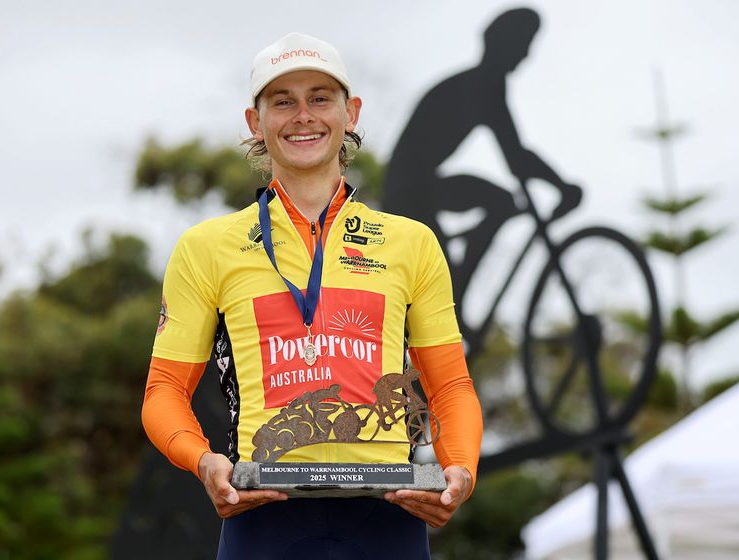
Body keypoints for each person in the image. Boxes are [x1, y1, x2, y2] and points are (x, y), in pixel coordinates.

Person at [142, 32, 483, 559]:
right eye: (283, 101)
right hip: (263, 514)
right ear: (256, 122)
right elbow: (163, 391)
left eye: (320, 98)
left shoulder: (410, 243)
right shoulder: (206, 247)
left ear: (351, 113)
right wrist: (203, 460)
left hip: (387, 515)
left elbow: (452, 387)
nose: (304, 115)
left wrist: (460, 469)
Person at [383, 8, 582, 347]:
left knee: (501, 203)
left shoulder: (485, 82)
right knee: (499, 204)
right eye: (523, 44)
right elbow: (517, 158)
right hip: (409, 190)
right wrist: (560, 186)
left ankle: (455, 291)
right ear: (504, 45)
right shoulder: (483, 84)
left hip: (421, 183)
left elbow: (515, 156)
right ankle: (454, 298)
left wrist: (557, 185)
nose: (526, 54)